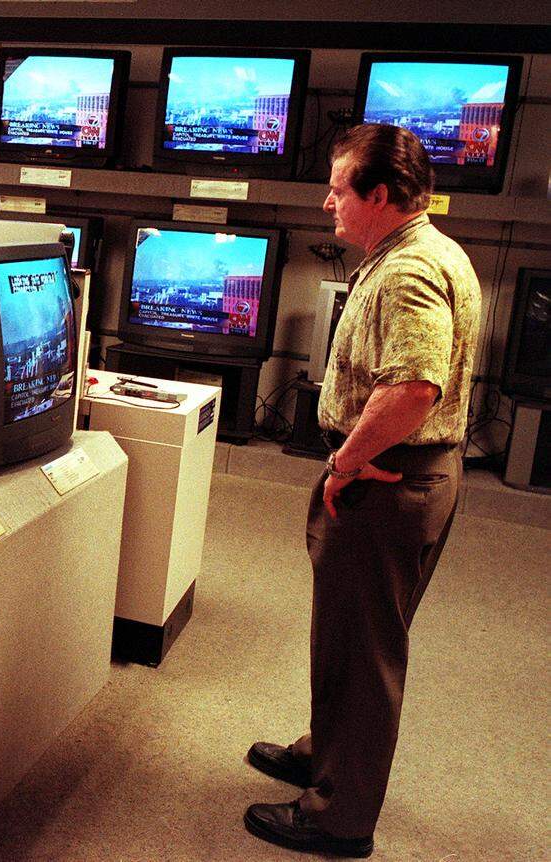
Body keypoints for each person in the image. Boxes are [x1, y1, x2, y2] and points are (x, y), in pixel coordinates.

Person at [243, 123, 481, 858]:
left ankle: (338, 817)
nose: (327, 204)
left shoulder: (408, 272)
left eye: (340, 190)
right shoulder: (427, 250)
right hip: (402, 471)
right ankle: (327, 753)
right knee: (348, 635)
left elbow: (413, 388)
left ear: (380, 195)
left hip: (387, 477)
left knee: (368, 647)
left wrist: (344, 462)